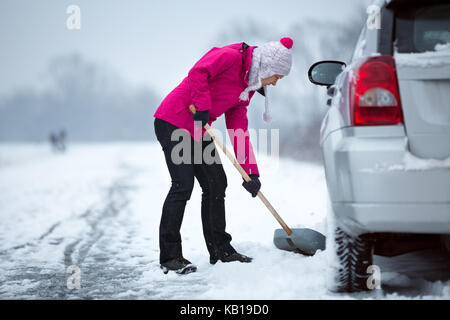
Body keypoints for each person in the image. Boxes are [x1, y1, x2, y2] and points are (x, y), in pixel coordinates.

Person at [153, 37, 294, 274]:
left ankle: (220, 250)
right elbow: (198, 72)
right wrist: (203, 105)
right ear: (267, 68)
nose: (275, 83)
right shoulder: (231, 57)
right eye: (277, 77)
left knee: (216, 182)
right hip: (175, 120)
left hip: (199, 127)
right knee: (182, 185)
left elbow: (238, 130)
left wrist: (251, 172)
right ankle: (170, 256)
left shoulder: (245, 89)